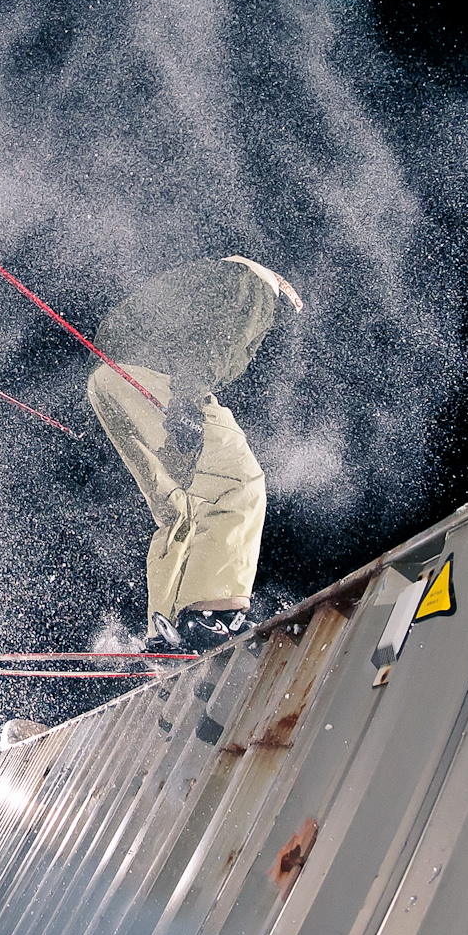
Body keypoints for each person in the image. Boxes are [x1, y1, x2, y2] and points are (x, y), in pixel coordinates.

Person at [86, 255, 302, 649]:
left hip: (110, 378)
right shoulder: (253, 285)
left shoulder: (206, 280)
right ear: (282, 284)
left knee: (180, 508)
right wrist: (186, 402)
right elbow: (212, 340)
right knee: (238, 483)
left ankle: (167, 629)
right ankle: (211, 612)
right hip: (155, 377)